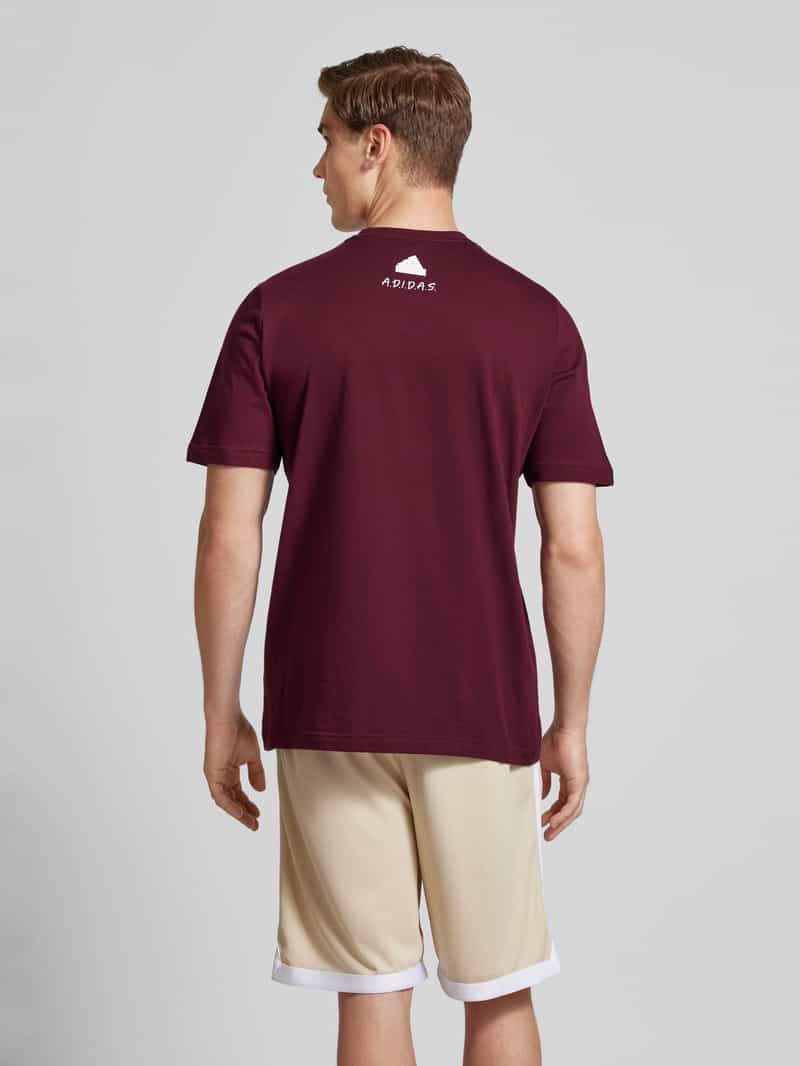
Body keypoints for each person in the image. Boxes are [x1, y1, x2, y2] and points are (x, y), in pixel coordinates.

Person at [186, 45, 614, 1066]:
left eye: (327, 142)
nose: (318, 167)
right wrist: (569, 721)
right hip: (479, 706)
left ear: (376, 145)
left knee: (369, 998)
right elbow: (571, 546)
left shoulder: (277, 310)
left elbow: (228, 530)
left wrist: (221, 707)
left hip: (328, 702)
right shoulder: (535, 319)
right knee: (498, 993)